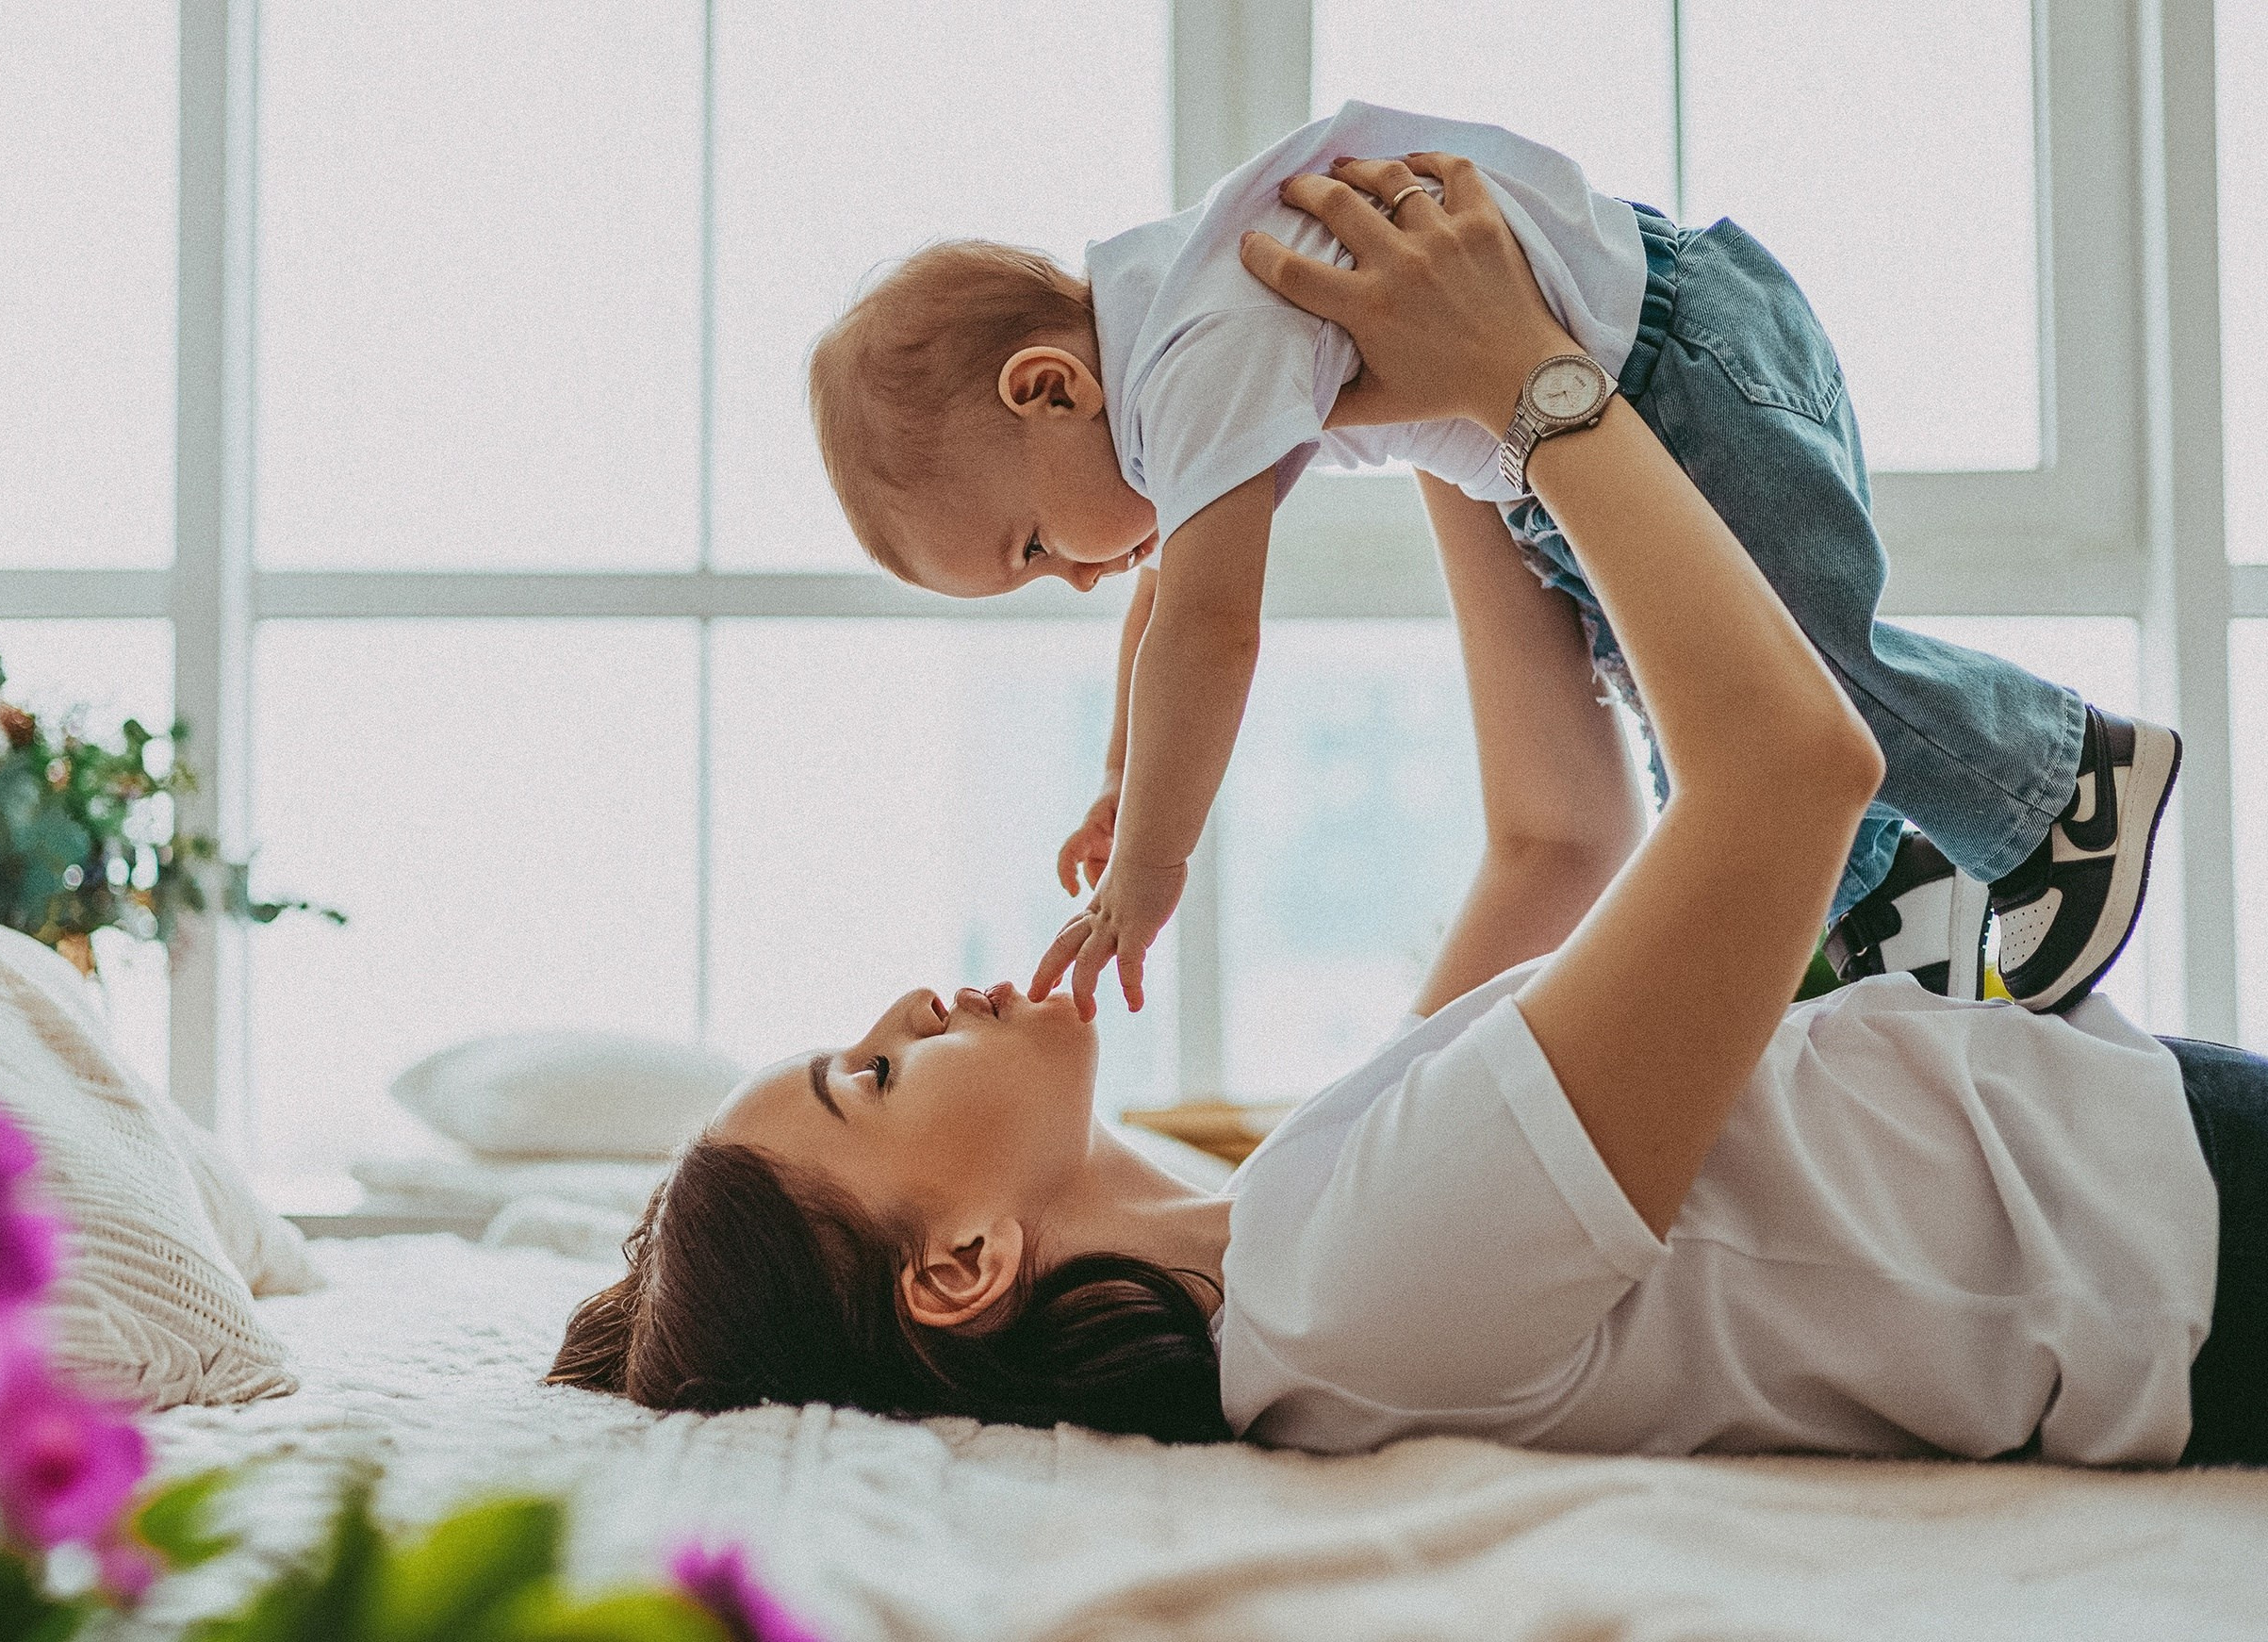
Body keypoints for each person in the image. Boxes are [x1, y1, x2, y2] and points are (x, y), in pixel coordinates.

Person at [551, 155, 2265, 1468]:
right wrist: (1526, 374)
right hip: (2189, 1225)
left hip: (2138, 1147)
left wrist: (1418, 399)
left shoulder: (1306, 1212)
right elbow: (1797, 774)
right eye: (871, 1074)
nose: (914, 1006)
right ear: (962, 1265)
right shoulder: (1362, 1278)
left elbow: (1557, 838)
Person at [805, 103, 2179, 1021]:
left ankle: (2064, 783)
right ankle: (1888, 911)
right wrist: (1121, 774)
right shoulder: (1169, 349)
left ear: (1049, 388)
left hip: (1665, 377)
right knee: (1719, 740)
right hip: (1598, 422)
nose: (1081, 576)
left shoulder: (1193, 353)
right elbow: (1171, 595)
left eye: (1036, 549)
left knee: (1785, 693)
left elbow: (1209, 629)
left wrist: (1148, 872)